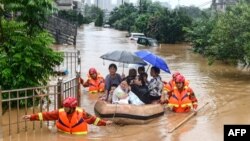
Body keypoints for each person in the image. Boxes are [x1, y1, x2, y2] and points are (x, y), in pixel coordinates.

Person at [22, 97, 113, 135]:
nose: (64, 109)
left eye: (66, 107)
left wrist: (105, 123)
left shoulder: (82, 113)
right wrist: (31, 117)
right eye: (64, 107)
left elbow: (93, 120)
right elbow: (46, 115)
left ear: (72, 108)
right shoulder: (60, 112)